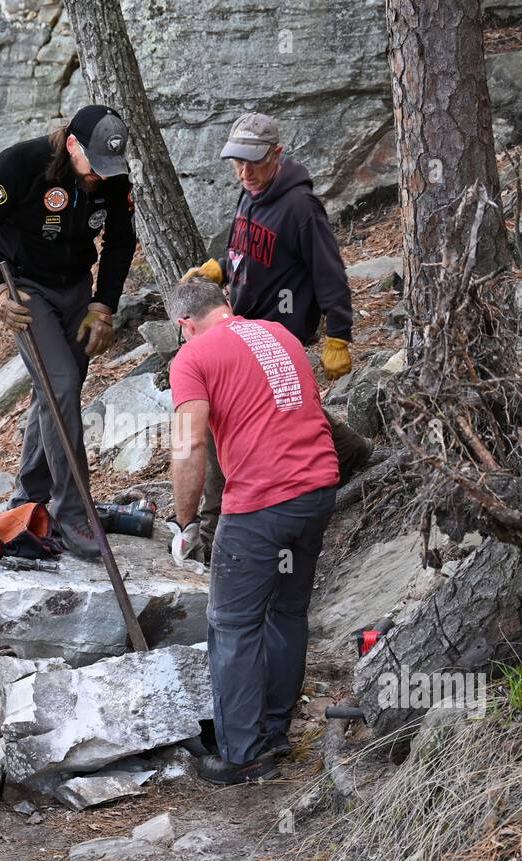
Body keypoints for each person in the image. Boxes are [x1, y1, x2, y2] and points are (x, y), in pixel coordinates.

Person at [166, 278, 340, 785]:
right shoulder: (277, 334)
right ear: (228, 306)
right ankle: (275, 729)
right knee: (286, 611)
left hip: (263, 503)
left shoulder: (192, 358)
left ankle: (244, 754)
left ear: (185, 324)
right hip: (318, 489)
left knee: (233, 624)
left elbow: (188, 446)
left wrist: (185, 521)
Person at [180, 112, 370, 555]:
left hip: (281, 335)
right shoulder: (250, 193)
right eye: (237, 162)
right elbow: (241, 251)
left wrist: (338, 336)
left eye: (255, 162)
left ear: (277, 155)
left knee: (222, 422)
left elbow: (331, 275)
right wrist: (218, 270)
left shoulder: (300, 208)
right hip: (245, 326)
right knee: (288, 411)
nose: (245, 172)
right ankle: (352, 451)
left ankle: (208, 538)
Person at [0, 105, 138, 558]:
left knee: (57, 389)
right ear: (74, 145)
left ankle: (29, 498)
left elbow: (120, 240)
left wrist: (104, 304)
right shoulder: (18, 165)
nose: (101, 176)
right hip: (26, 289)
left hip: (76, 287)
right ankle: (73, 513)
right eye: (94, 166)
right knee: (59, 383)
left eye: (109, 169)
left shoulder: (112, 177)